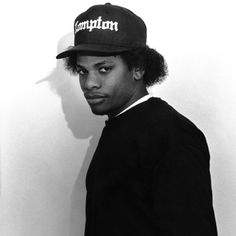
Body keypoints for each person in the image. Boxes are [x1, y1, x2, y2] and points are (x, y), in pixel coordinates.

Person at [56, 3, 218, 236]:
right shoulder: (120, 124)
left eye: (103, 69)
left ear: (138, 68)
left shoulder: (173, 135)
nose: (89, 83)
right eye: (83, 71)